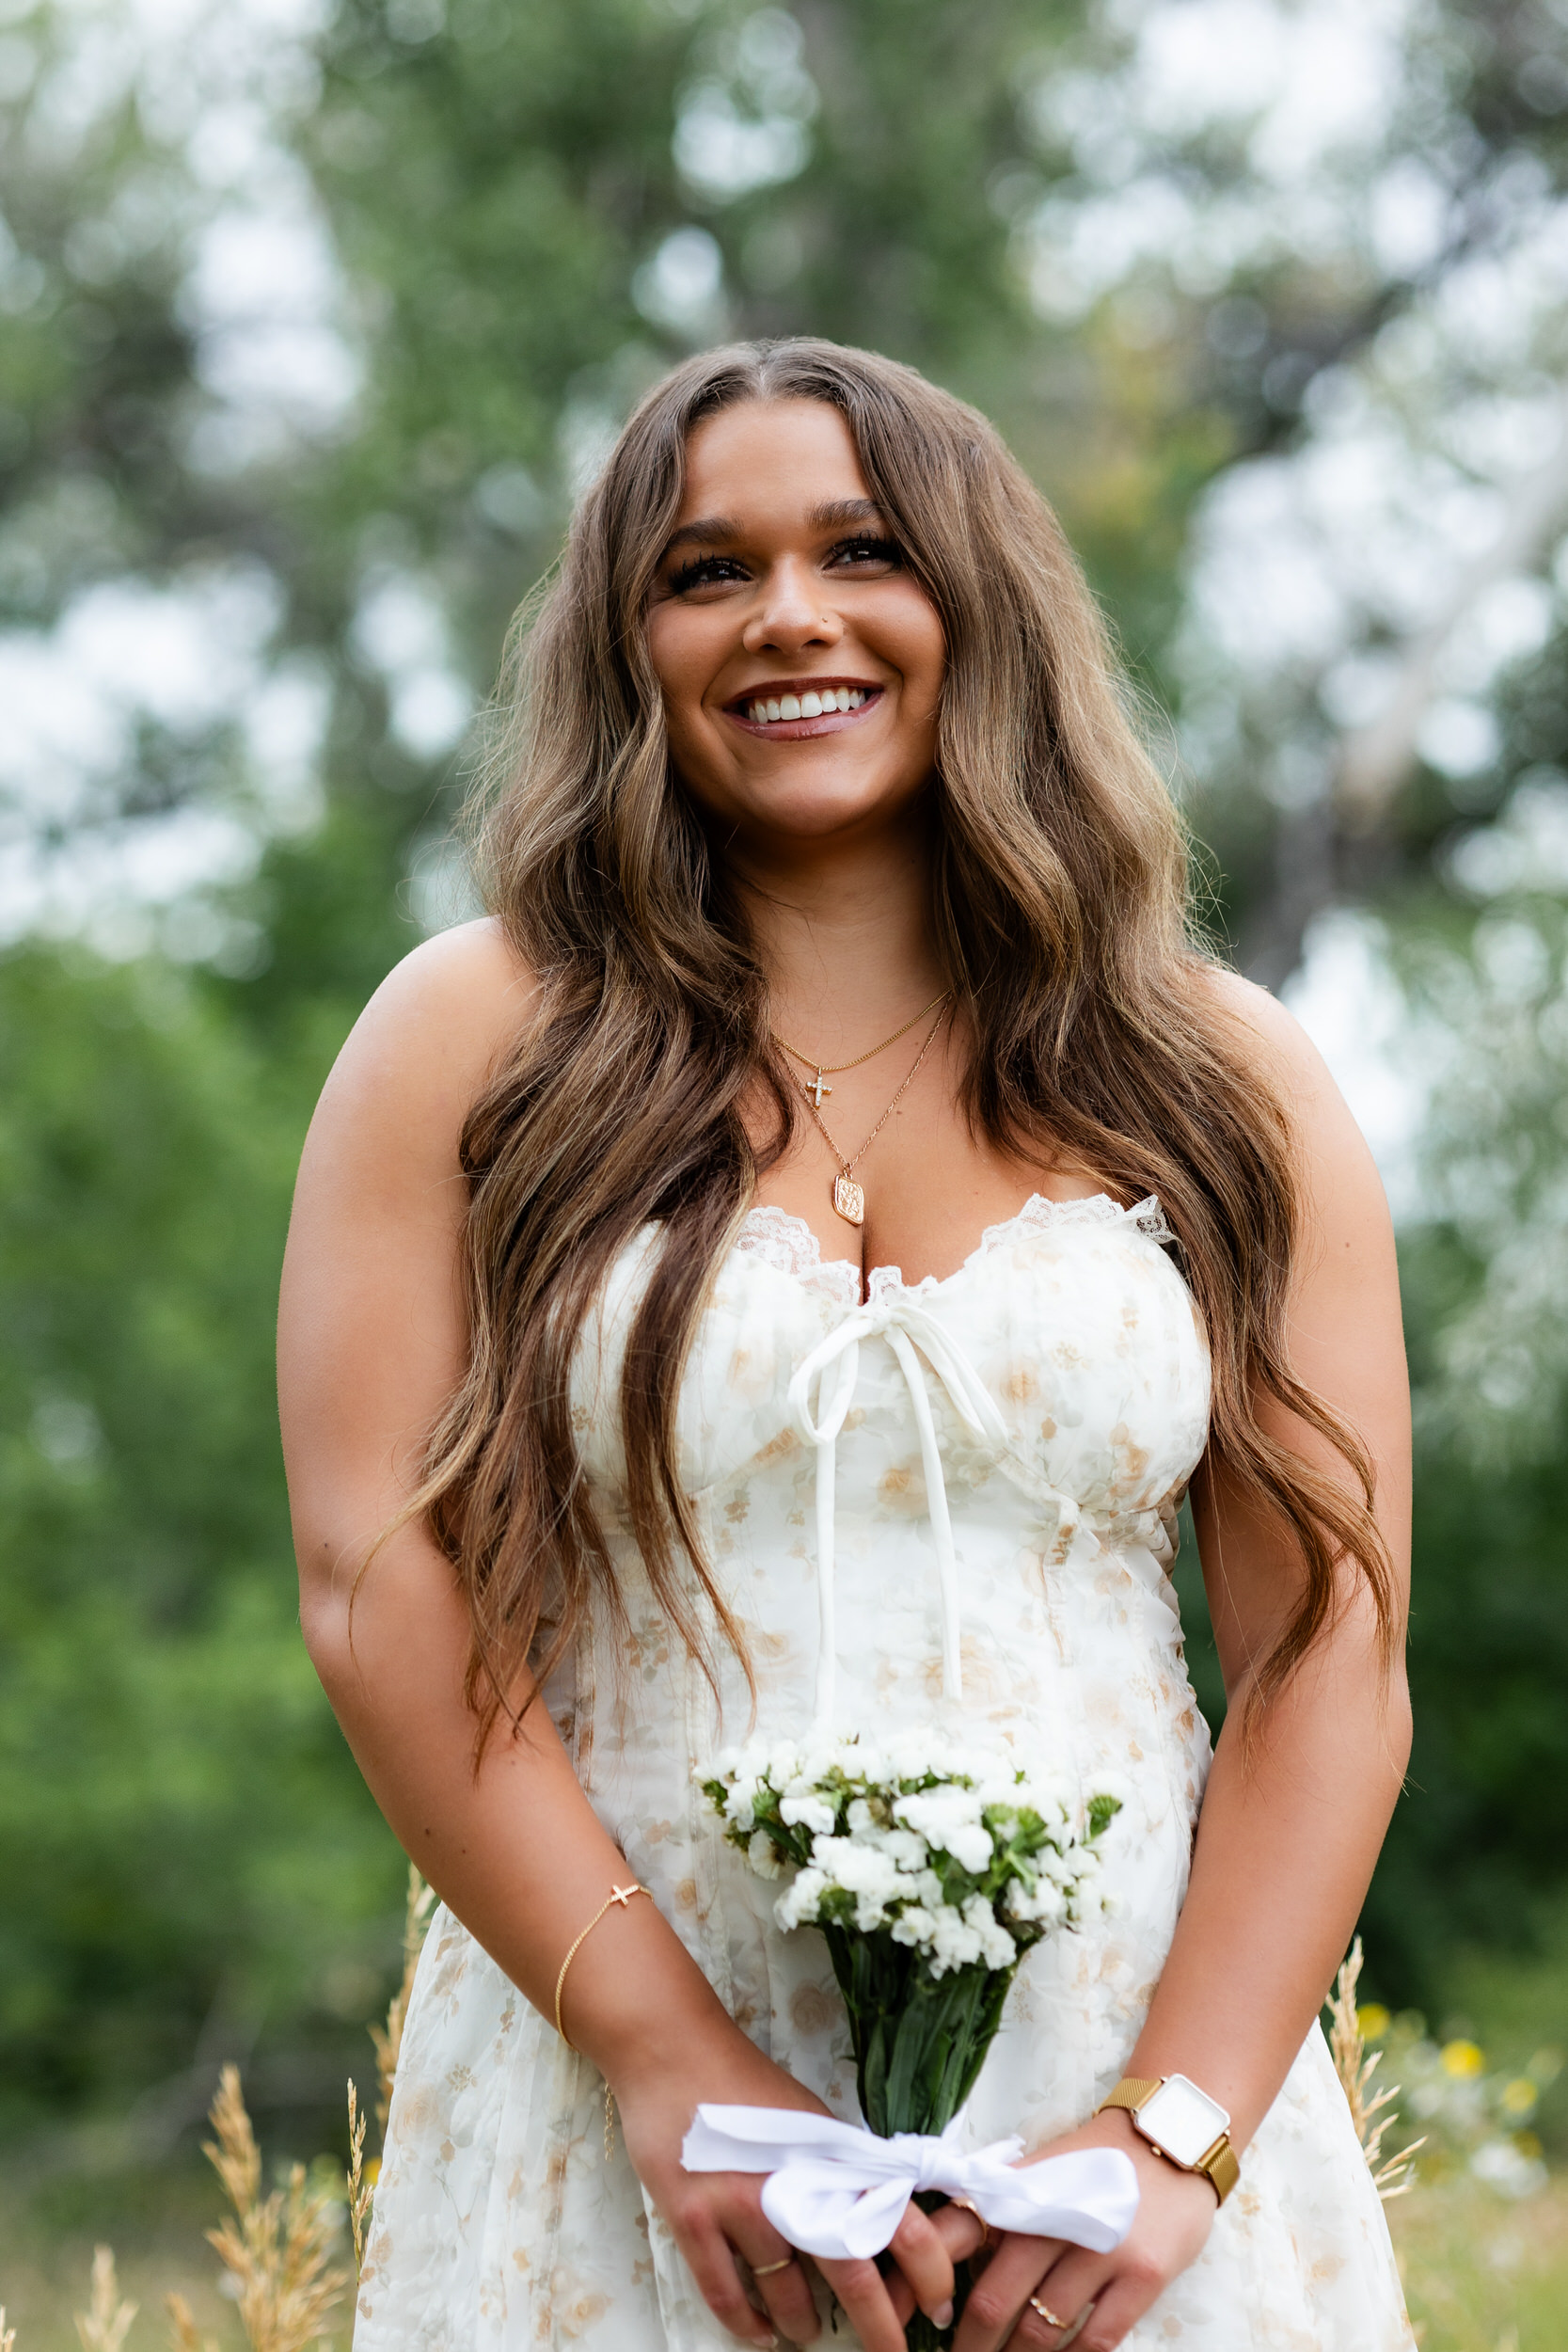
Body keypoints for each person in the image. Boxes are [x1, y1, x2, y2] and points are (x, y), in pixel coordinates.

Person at [278, 339, 1416, 2352]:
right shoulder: (472, 1038)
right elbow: (381, 1577)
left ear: (978, 602)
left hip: (1116, 2108)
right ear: (628, 641)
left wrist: (1176, 2135)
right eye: (707, 568)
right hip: (620, 2094)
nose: (790, 612)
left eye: (863, 547)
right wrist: (662, 2053)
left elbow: (1330, 1646)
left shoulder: (1223, 1075)